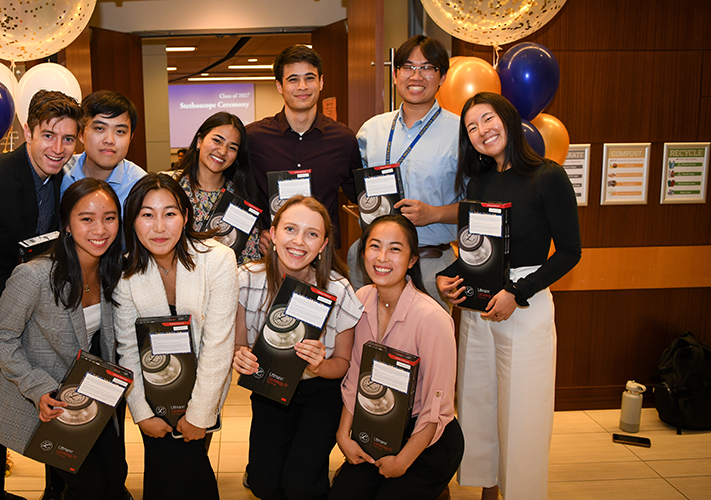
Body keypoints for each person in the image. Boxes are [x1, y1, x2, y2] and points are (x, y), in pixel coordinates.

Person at [436, 92, 581, 500]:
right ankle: (488, 488)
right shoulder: (480, 182)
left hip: (524, 302)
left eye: (487, 119)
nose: (482, 131)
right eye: (472, 128)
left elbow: (570, 252)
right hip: (479, 302)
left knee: (523, 411)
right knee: (478, 402)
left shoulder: (547, 176)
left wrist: (516, 293)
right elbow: (475, 250)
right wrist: (449, 278)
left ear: (509, 119)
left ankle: (521, 492)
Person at [0, 90, 82, 500]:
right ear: (28, 131)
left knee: (55, 413)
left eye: (67, 139)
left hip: (41, 325)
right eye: (48, 136)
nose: (57, 148)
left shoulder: (68, 183)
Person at [0, 178, 129, 500]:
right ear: (66, 224)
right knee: (88, 484)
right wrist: (37, 388)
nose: (100, 229)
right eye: (86, 218)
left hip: (93, 399)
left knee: (116, 475)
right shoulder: (35, 276)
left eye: (109, 217)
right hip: (47, 400)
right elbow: (1, 335)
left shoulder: (111, 269)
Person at [113, 173, 237, 500]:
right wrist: (141, 411)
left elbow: (219, 344)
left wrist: (199, 414)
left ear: (185, 215)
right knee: (161, 470)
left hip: (204, 390)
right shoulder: (126, 273)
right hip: (154, 396)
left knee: (187, 467)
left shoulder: (218, 260)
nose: (159, 227)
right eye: (146, 214)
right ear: (132, 221)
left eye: (169, 213)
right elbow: (127, 348)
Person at [233, 196, 363, 500]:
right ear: (273, 234)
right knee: (264, 484)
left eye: (312, 234)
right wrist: (238, 356)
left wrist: (320, 364)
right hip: (269, 390)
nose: (299, 241)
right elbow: (238, 345)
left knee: (301, 484)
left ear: (324, 245)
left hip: (321, 393)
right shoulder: (246, 279)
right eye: (290, 229)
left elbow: (343, 361)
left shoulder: (338, 289)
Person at [329, 215, 464, 500]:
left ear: (412, 259)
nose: (382, 257)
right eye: (375, 246)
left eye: (395, 249)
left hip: (427, 437)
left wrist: (403, 460)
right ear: (362, 252)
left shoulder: (432, 318)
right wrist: (344, 434)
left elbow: (436, 405)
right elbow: (355, 375)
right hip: (378, 426)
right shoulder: (362, 298)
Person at [351, 35, 460, 311]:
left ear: (442, 77)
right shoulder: (371, 131)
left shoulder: (461, 133)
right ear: (396, 74)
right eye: (408, 67)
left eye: (427, 68)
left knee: (428, 350)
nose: (417, 76)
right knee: (365, 345)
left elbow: (479, 205)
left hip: (431, 265)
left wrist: (434, 214)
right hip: (374, 264)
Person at [247, 45, 360, 251]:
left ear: (321, 82)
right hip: (271, 255)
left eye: (309, 78)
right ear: (279, 86)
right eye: (293, 79)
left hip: (324, 258)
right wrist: (257, 229)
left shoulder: (343, 140)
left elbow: (361, 195)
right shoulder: (254, 139)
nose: (302, 86)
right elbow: (239, 194)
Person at [167, 111, 263, 264]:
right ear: (199, 141)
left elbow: (247, 259)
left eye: (232, 148)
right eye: (217, 141)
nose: (223, 151)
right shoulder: (168, 185)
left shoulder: (240, 200)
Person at [59, 90, 147, 205]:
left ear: (130, 138)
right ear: (81, 133)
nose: (109, 140)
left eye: (120, 131)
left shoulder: (140, 186)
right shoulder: (59, 173)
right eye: (100, 128)